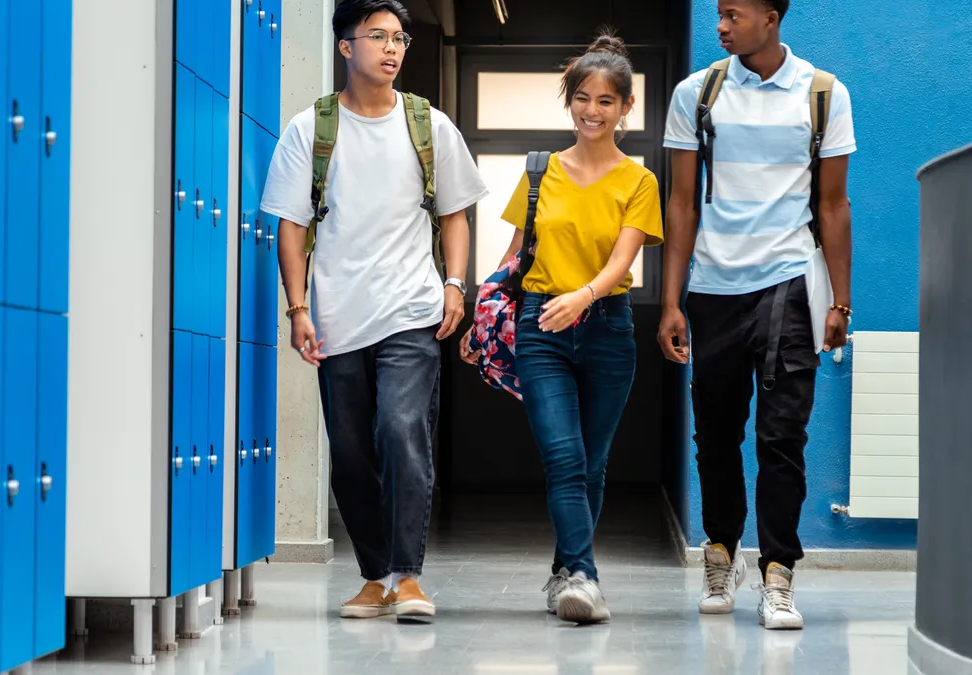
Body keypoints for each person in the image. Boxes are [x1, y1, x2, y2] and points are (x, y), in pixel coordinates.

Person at [261, 0, 488, 621]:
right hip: (336, 317)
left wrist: (455, 286)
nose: (392, 48)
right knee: (353, 450)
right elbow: (290, 224)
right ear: (345, 47)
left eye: (400, 39)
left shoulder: (429, 125)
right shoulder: (310, 129)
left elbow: (455, 214)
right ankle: (374, 575)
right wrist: (298, 307)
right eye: (378, 36)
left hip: (410, 312)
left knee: (401, 431)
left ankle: (408, 577)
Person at [659, 0, 855, 630]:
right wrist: (671, 299)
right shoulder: (699, 92)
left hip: (790, 288)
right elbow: (682, 202)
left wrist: (840, 303)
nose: (720, 25)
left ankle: (779, 574)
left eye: (732, 14)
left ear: (770, 18)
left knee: (781, 439)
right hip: (714, 289)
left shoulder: (824, 94)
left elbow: (832, 207)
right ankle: (720, 552)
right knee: (715, 436)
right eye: (718, 14)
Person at [461, 32, 664, 624]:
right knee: (563, 457)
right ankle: (584, 577)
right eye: (582, 97)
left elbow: (622, 263)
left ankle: (563, 571)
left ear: (626, 108)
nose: (591, 110)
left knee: (592, 464)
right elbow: (513, 255)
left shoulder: (639, 182)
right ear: (568, 101)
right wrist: (484, 319)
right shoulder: (538, 171)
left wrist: (582, 297)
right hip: (538, 326)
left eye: (605, 100)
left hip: (607, 328)